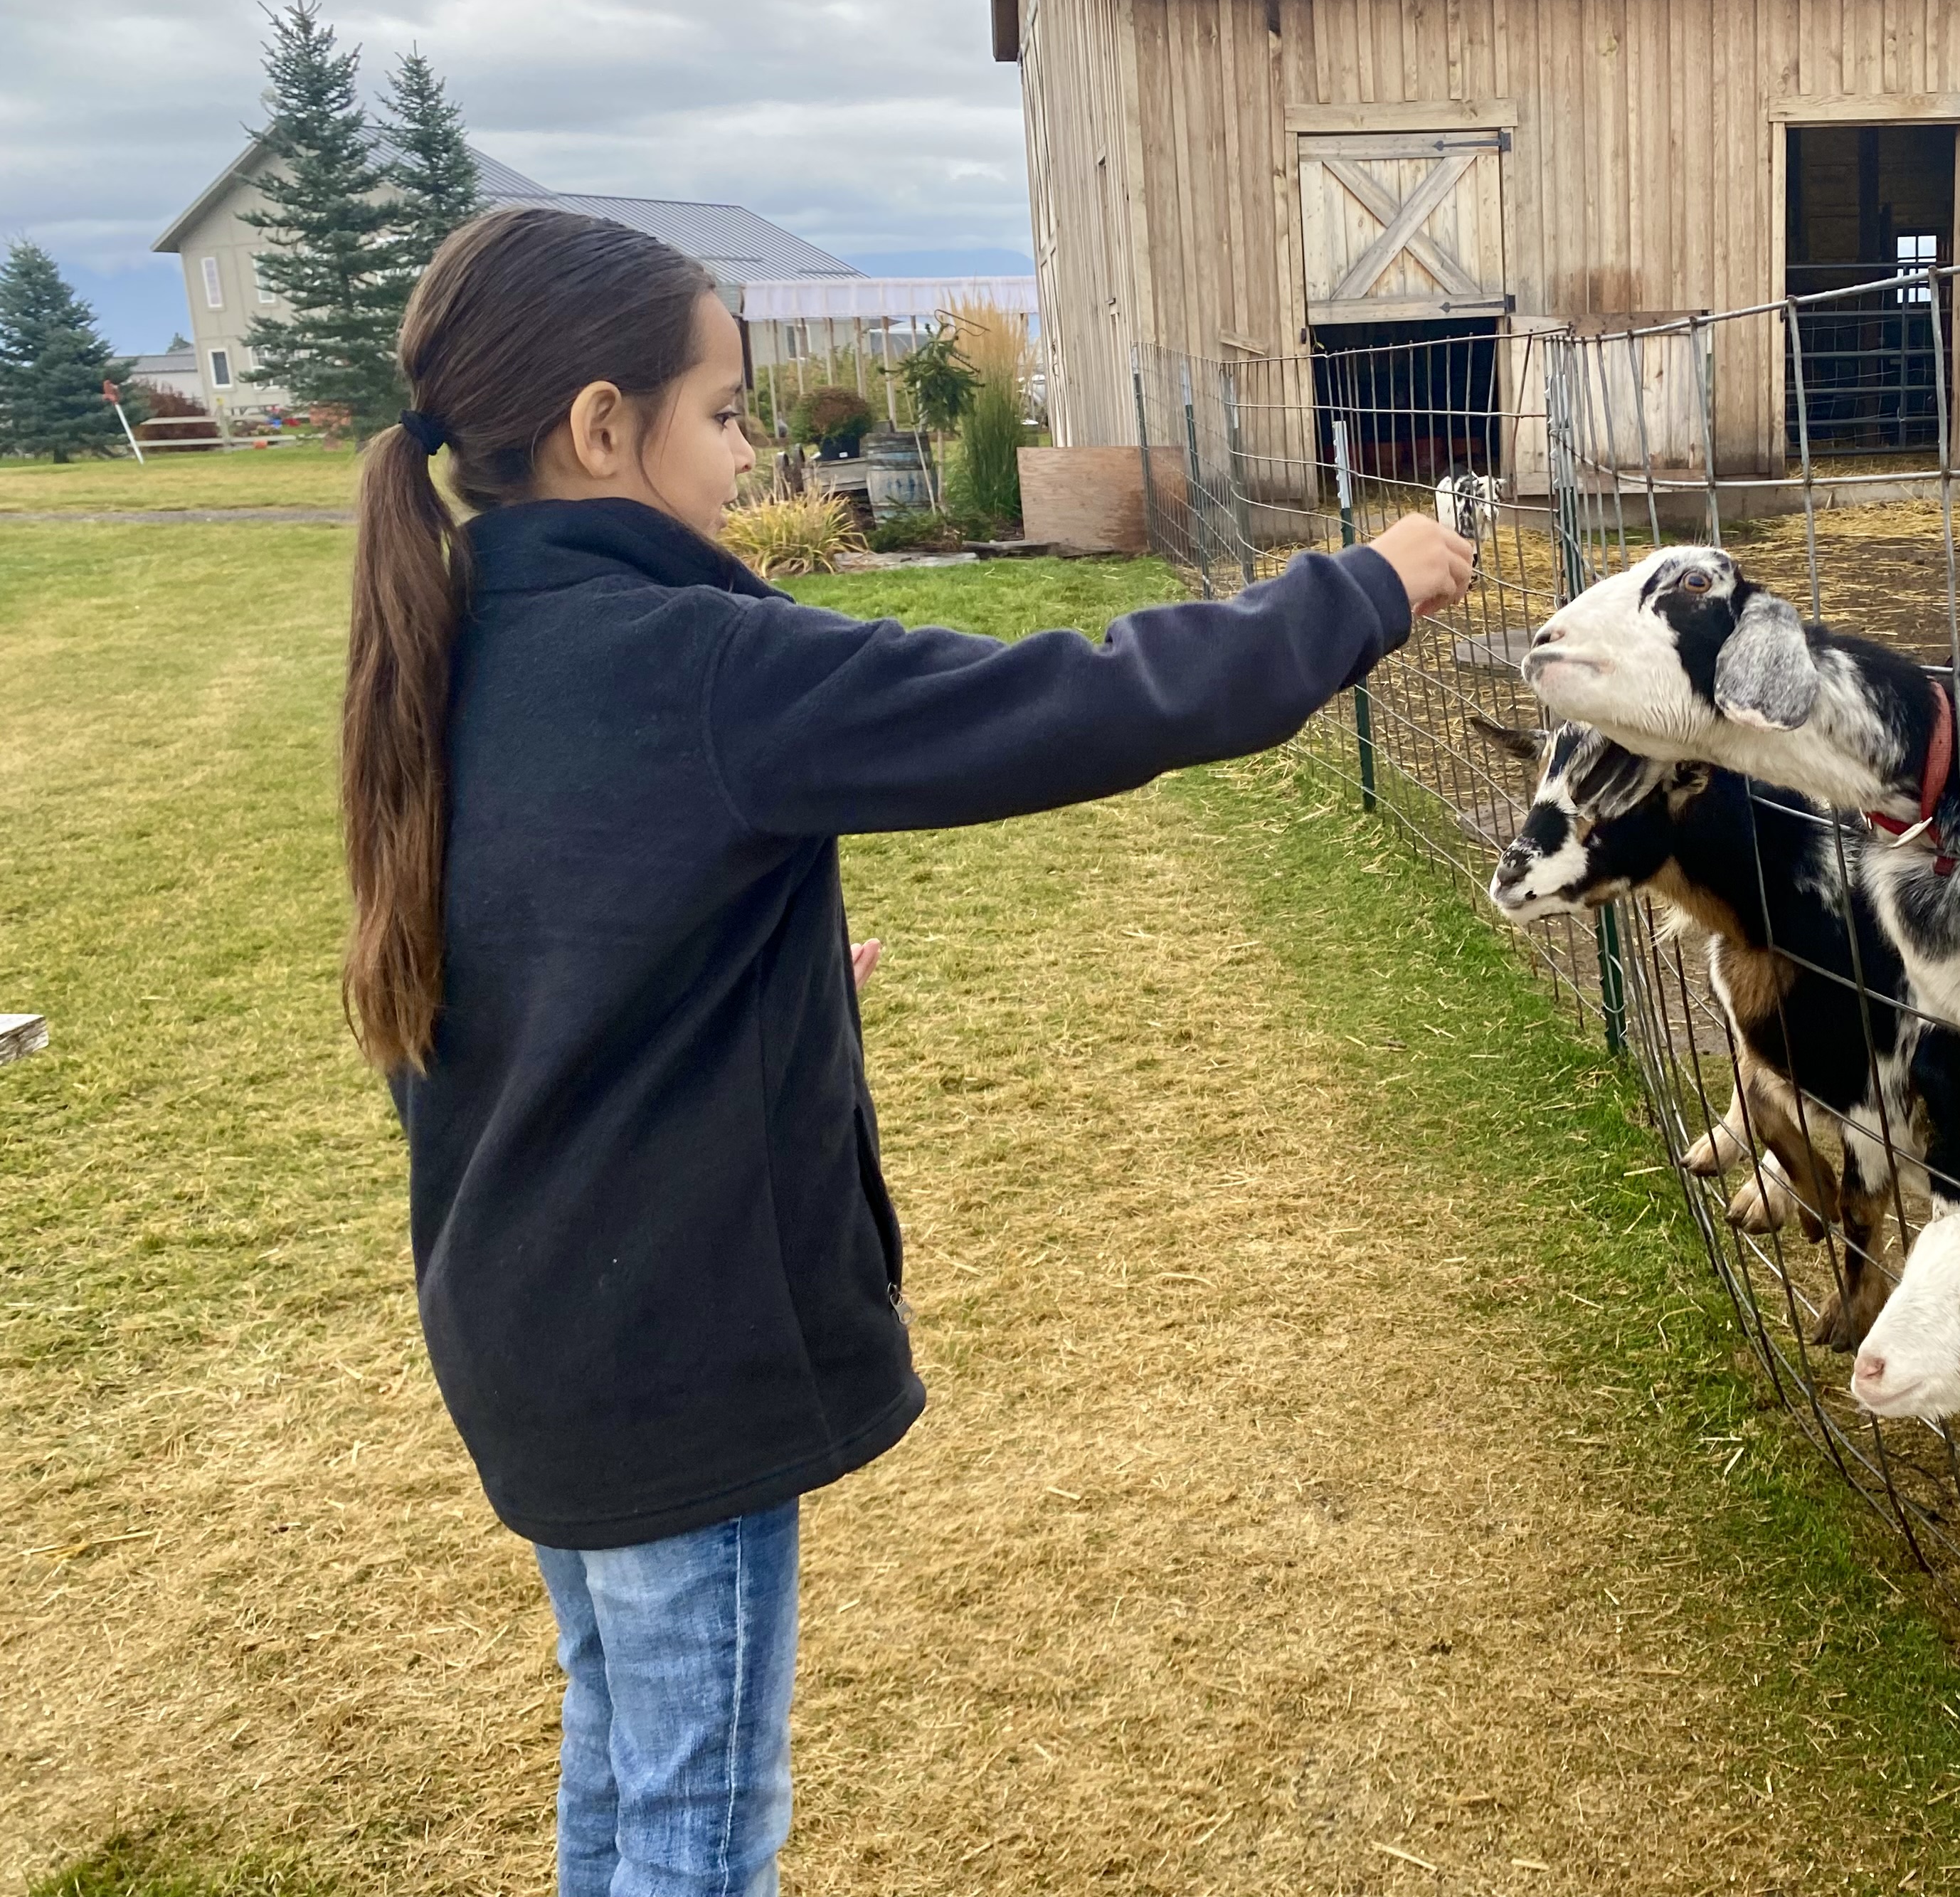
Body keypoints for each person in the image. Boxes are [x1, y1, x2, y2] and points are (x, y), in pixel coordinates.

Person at [341, 205, 1473, 1896]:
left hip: (532, 1335)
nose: (746, 457)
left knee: (622, 1763)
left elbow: (511, 954)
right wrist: (1362, 589)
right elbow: (1075, 700)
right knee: (697, 1830)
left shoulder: (452, 647)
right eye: (723, 416)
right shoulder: (701, 659)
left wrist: (753, 959)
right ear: (599, 428)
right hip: (668, 1364)